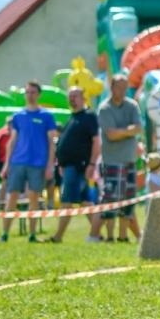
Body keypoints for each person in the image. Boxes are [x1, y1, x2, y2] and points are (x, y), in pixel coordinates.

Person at [0, 82, 57, 243]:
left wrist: (50, 166)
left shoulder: (47, 116)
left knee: (34, 199)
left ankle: (32, 234)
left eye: (33, 92)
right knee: (12, 197)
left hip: (37, 163)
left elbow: (51, 142)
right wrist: (7, 164)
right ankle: (4, 233)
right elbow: (12, 141)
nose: (30, 95)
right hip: (18, 161)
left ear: (38, 94)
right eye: (27, 92)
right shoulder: (18, 116)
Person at [51, 86, 101, 243]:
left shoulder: (89, 117)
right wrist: (61, 163)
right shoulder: (73, 118)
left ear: (83, 98)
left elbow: (96, 142)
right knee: (85, 202)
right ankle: (97, 233)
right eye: (70, 96)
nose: (72, 99)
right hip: (68, 167)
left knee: (67, 201)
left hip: (78, 166)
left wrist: (92, 164)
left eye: (75, 96)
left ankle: (58, 236)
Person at [97, 74, 143, 244]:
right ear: (112, 87)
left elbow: (138, 128)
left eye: (125, 88)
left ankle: (123, 236)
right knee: (111, 199)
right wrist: (127, 131)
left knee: (128, 200)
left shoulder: (132, 106)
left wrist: (120, 131)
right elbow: (111, 134)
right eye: (119, 87)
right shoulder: (104, 108)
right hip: (111, 161)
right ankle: (109, 236)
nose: (123, 91)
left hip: (129, 160)